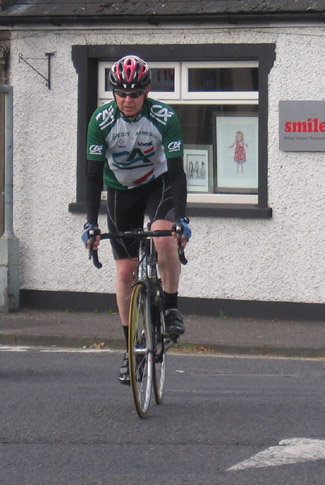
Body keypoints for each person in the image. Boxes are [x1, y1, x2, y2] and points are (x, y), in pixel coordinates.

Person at [81, 55, 191, 385]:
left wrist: (181, 219)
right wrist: (90, 223)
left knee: (162, 236)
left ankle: (170, 306)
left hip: (158, 185)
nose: (128, 100)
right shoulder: (100, 122)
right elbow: (91, 177)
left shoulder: (163, 117)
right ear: (113, 92)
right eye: (121, 93)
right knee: (126, 269)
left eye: (135, 93)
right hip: (120, 191)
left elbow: (176, 174)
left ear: (147, 92)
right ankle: (132, 349)